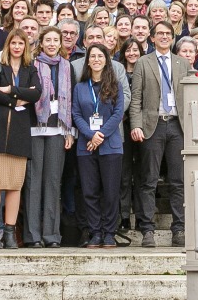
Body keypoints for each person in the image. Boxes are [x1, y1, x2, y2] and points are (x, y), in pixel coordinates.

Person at [129, 21, 190, 248]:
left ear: (173, 38)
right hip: (151, 126)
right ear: (152, 38)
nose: (164, 37)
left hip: (177, 126)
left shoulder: (182, 63)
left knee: (178, 181)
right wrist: (136, 125)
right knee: (148, 179)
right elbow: (136, 99)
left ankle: (179, 228)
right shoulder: (143, 63)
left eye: (168, 33)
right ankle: (147, 230)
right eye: (160, 34)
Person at [0, 30, 39, 249]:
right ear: (8, 45)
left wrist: (11, 89)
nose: (16, 47)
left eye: (20, 43)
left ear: (26, 47)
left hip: (19, 134)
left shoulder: (30, 69)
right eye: (13, 43)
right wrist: (16, 100)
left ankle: (10, 232)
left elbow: (36, 94)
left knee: (15, 186)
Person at [73, 42, 127, 249]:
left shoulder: (115, 85)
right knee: (90, 191)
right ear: (87, 61)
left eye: (100, 56)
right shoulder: (80, 87)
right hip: (86, 146)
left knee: (111, 191)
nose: (96, 59)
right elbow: (76, 114)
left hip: (110, 145)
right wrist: (90, 135)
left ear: (107, 60)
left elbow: (118, 113)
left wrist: (101, 134)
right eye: (92, 56)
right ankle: (95, 232)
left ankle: (109, 232)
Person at [26, 25, 75, 247]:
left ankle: (51, 235)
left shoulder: (67, 67)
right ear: (41, 43)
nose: (53, 44)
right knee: (33, 183)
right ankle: (33, 236)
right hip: (35, 129)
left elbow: (72, 100)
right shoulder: (31, 66)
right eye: (49, 40)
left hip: (58, 130)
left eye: (57, 40)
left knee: (53, 183)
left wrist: (69, 131)